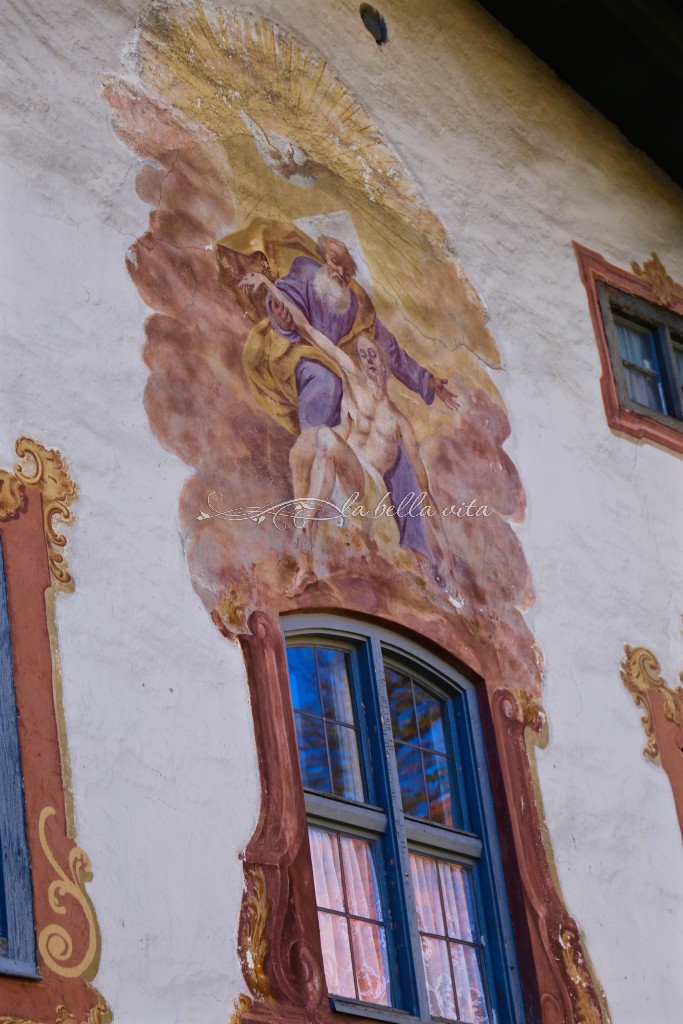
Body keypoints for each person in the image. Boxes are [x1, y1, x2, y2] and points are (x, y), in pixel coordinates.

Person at [241, 233, 458, 565]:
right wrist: (277, 308)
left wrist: (426, 380)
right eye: (333, 260)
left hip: (344, 377)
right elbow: (292, 313)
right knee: (326, 382)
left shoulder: (359, 306)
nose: (338, 269)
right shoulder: (305, 270)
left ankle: (414, 543)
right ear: (322, 257)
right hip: (300, 355)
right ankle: (317, 469)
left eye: (346, 265)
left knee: (390, 446)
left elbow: (390, 350)